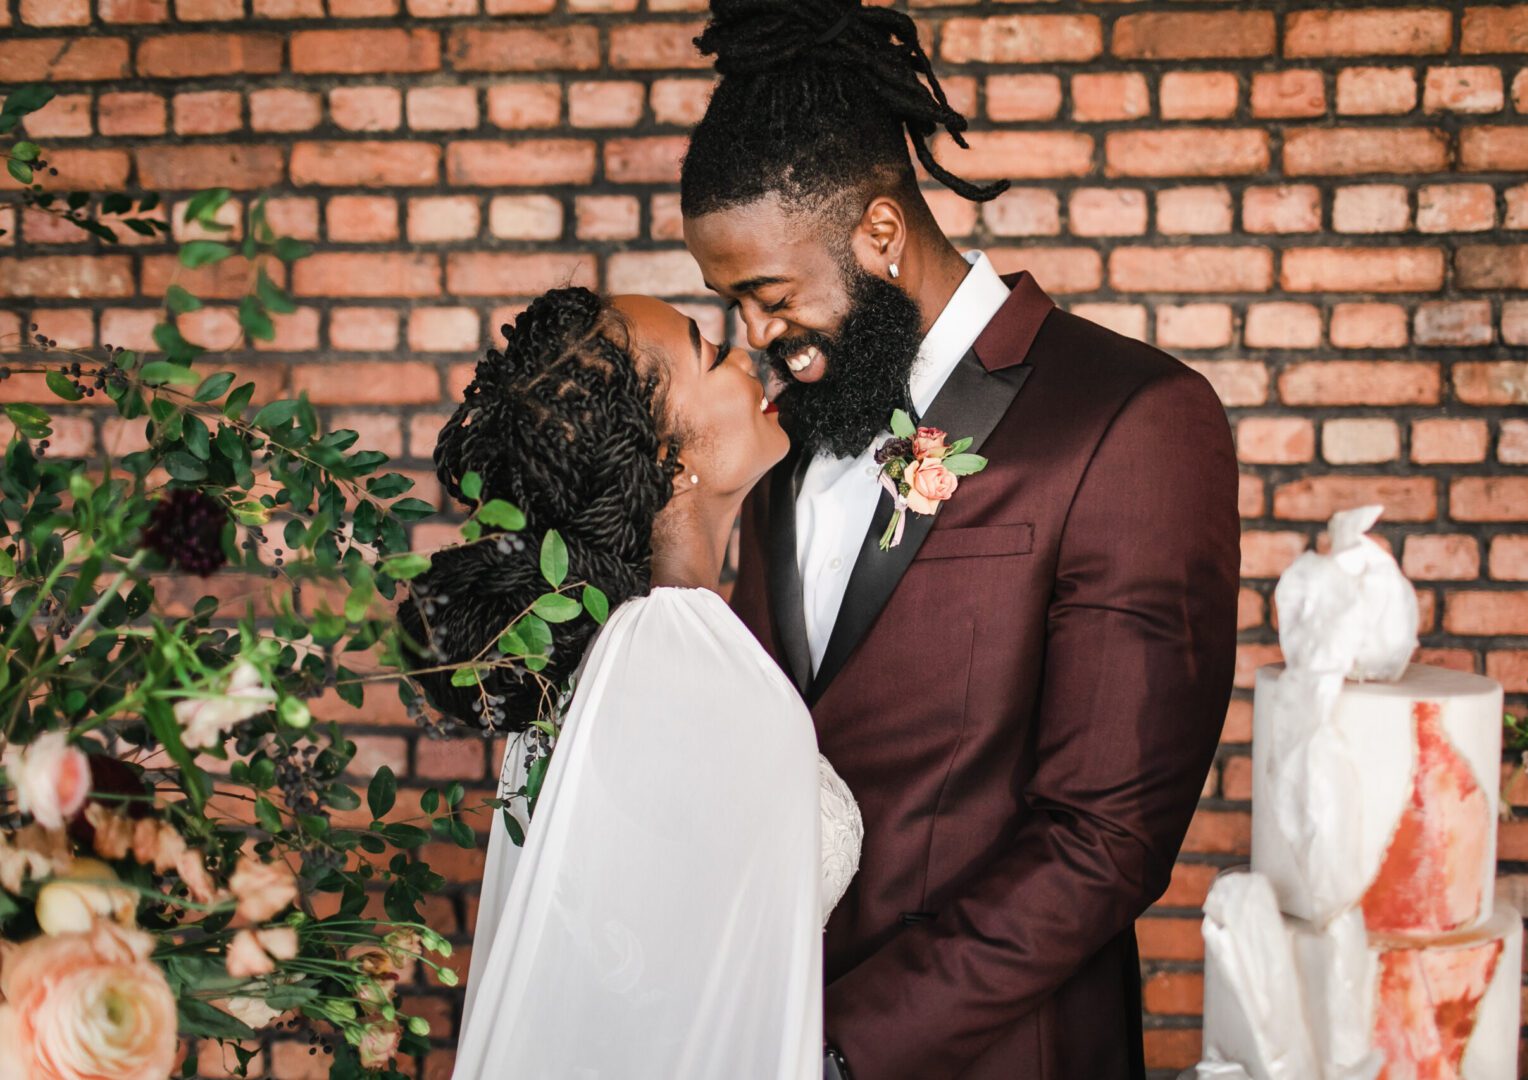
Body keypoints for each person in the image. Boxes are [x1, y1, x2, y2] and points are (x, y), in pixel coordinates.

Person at [680, 2, 1242, 1077]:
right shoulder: (780, 443)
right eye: (729, 304)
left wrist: (837, 1050)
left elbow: (1105, 838)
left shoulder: (1130, 418)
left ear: (880, 232)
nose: (753, 337)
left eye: (768, 294)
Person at [400, 287, 863, 1079]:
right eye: (711, 357)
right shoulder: (669, 655)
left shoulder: (607, 648)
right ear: (669, 462)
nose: (747, 360)